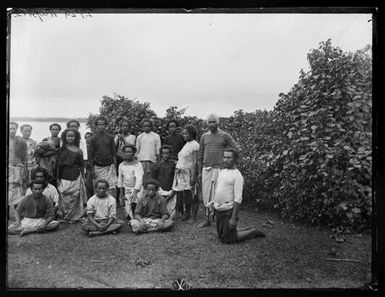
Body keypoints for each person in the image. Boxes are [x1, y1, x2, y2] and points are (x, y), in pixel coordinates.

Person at [209, 148, 265, 243]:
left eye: (229, 158)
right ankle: (244, 228)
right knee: (220, 235)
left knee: (226, 239)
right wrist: (213, 208)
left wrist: (233, 218)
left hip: (228, 209)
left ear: (235, 159)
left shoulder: (237, 175)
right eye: (225, 157)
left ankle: (253, 231)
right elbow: (218, 190)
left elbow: (238, 198)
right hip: (219, 208)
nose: (226, 160)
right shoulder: (222, 172)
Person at [198, 113, 240, 227]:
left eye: (213, 122)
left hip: (220, 170)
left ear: (218, 122)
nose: (211, 124)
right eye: (209, 122)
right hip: (206, 169)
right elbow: (200, 154)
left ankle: (218, 217)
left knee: (219, 194)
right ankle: (207, 218)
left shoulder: (224, 135)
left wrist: (228, 162)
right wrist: (198, 172)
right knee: (206, 195)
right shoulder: (204, 136)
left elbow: (236, 149)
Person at [56, 129, 87, 223]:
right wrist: (58, 177)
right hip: (64, 176)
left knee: (75, 196)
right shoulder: (61, 150)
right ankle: (64, 216)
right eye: (68, 136)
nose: (70, 138)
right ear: (65, 137)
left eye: (72, 136)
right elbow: (58, 165)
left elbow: (81, 166)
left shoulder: (79, 151)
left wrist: (84, 177)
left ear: (76, 137)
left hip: (76, 175)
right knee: (64, 196)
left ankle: (74, 216)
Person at [172, 125, 199, 222]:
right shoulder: (186, 144)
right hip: (181, 172)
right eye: (183, 133)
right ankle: (184, 213)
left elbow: (195, 162)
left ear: (192, 134)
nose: (184, 135)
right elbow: (184, 158)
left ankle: (190, 215)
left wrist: (193, 176)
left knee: (189, 194)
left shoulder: (195, 145)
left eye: (186, 133)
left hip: (188, 173)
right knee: (182, 194)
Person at [88, 116, 118, 200]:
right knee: (99, 187)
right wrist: (91, 169)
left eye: (103, 124)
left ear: (106, 126)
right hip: (98, 167)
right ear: (96, 126)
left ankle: (111, 204)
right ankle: (99, 205)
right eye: (99, 124)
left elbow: (114, 154)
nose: (101, 126)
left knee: (111, 187)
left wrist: (114, 168)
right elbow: (91, 156)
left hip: (109, 167)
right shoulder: (93, 138)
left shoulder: (110, 137)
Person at [117, 144, 144, 220]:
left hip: (137, 189)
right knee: (128, 213)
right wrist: (121, 194)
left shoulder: (138, 164)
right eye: (126, 152)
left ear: (133, 153)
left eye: (129, 152)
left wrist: (135, 192)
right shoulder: (121, 165)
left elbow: (139, 179)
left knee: (136, 205)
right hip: (126, 189)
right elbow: (120, 179)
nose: (127, 153)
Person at [8, 121, 28, 220]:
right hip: (7, 167)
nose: (12, 130)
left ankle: (17, 213)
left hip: (17, 168)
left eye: (14, 128)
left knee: (17, 191)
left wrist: (24, 169)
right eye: (10, 128)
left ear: (16, 129)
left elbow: (25, 157)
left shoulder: (21, 141)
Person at [152, 145, 177, 220]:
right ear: (161, 154)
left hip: (171, 191)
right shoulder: (156, 165)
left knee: (170, 214)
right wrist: (157, 191)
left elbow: (176, 180)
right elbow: (154, 180)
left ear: (170, 154)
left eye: (167, 153)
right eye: (164, 153)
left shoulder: (174, 165)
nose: (165, 155)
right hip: (160, 191)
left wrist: (173, 191)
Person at [114, 118, 136, 200]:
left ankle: (127, 196)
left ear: (129, 127)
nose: (125, 128)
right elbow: (114, 148)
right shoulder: (117, 137)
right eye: (123, 126)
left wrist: (123, 139)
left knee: (128, 178)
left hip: (128, 159)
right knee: (118, 178)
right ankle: (118, 197)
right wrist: (118, 140)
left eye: (126, 126)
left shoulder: (132, 137)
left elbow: (131, 147)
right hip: (119, 159)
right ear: (120, 127)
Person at [136, 118, 161, 188]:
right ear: (143, 127)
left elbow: (158, 151)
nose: (146, 127)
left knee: (151, 180)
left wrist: (158, 162)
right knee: (142, 180)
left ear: (151, 126)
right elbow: (137, 151)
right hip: (142, 161)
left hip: (152, 161)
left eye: (148, 126)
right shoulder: (140, 137)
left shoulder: (156, 136)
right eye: (145, 126)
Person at [20, 124, 38, 192]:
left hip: (32, 166)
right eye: (26, 131)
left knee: (31, 182)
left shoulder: (34, 142)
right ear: (21, 131)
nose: (28, 133)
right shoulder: (18, 141)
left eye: (29, 131)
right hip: (21, 166)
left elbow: (37, 155)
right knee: (22, 183)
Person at [84, 132, 94, 199]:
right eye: (86, 137)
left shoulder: (94, 146)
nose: (88, 138)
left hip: (94, 167)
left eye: (89, 137)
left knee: (94, 184)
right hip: (86, 168)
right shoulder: (84, 147)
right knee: (87, 184)